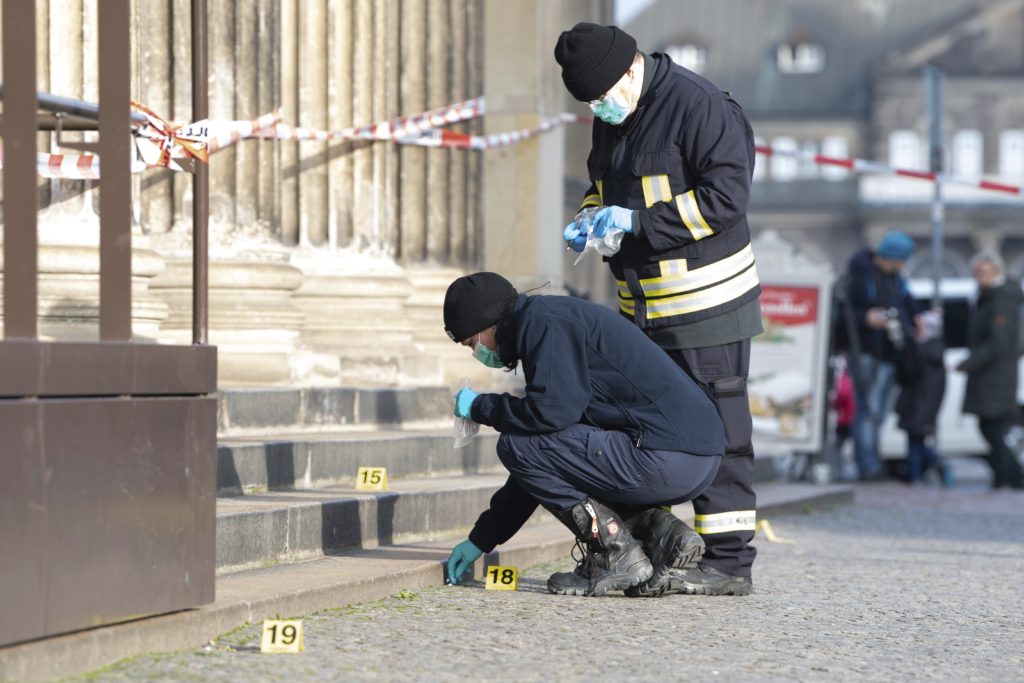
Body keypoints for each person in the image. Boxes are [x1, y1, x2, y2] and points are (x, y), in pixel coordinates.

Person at [553, 22, 760, 596]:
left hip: (708, 302)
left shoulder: (699, 106)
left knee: (721, 431)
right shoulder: (613, 112)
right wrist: (590, 217)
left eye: (601, 96)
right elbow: (604, 183)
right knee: (634, 428)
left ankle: (728, 562)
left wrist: (639, 223)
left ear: (630, 71)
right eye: (589, 103)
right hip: (641, 307)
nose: (599, 109)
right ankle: (644, 550)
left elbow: (727, 198)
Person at [441, 272, 725, 597]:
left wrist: (481, 406)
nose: (477, 353)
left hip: (663, 456)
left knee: (516, 444)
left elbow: (547, 417)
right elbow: (548, 457)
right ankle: (663, 535)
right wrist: (482, 538)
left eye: (472, 343)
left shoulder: (542, 324)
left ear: (487, 324)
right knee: (546, 449)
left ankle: (615, 554)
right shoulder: (554, 318)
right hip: (695, 459)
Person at [843, 231, 921, 481]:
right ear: (890, 257)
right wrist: (866, 318)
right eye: (900, 261)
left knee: (880, 412)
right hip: (865, 351)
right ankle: (867, 466)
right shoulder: (858, 276)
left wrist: (917, 317)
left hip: (889, 354)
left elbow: (908, 303)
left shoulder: (895, 279)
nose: (901, 266)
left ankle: (873, 461)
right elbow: (842, 315)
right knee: (868, 409)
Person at [957, 251, 1024, 490]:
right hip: (991, 375)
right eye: (977, 273)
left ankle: (1010, 476)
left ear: (996, 272)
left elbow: (998, 342)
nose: (979, 277)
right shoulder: (989, 297)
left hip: (996, 375)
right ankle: (1007, 476)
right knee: (991, 427)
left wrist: (969, 362)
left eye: (984, 272)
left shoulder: (1000, 300)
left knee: (993, 427)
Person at [894, 310, 952, 486]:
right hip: (920, 404)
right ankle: (919, 473)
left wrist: (910, 342)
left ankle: (920, 473)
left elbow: (908, 371)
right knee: (915, 442)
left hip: (919, 405)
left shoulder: (923, 350)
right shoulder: (935, 351)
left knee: (915, 443)